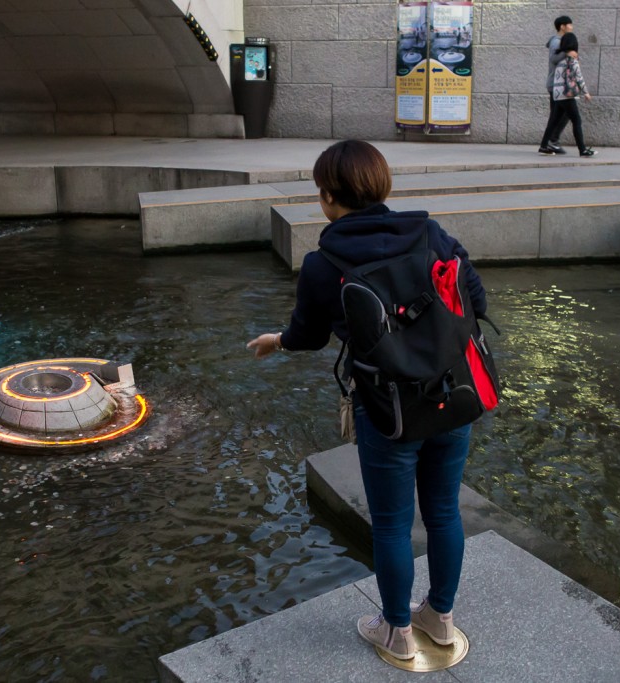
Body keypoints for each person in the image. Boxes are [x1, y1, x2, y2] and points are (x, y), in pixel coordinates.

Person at [247, 140, 488, 660]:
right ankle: (441, 620)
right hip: (454, 395)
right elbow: (476, 298)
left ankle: (397, 632)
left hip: (387, 410)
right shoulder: (430, 233)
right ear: (382, 187)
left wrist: (278, 341)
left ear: (329, 198)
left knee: (393, 525)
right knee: (445, 511)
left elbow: (309, 335)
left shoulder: (323, 262)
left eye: (320, 192)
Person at [539, 33, 597, 157]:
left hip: (558, 95)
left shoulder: (560, 60)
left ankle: (543, 146)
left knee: (553, 122)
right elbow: (578, 77)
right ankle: (582, 150)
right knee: (577, 121)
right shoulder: (572, 60)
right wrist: (586, 92)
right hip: (568, 95)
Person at [540, 15, 573, 156]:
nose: (572, 27)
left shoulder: (562, 41)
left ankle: (551, 142)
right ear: (562, 26)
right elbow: (554, 58)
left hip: (560, 85)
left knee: (562, 114)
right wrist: (567, 53)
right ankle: (551, 142)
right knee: (560, 114)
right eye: (569, 25)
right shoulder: (556, 42)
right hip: (555, 85)